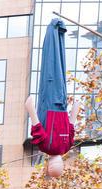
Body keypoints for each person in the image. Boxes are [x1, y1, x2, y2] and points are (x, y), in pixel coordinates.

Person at [26, 18, 75, 179]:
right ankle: (55, 29)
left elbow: (71, 127)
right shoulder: (49, 147)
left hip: (59, 105)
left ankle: (57, 31)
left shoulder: (64, 147)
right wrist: (30, 109)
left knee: (58, 69)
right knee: (51, 69)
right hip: (52, 106)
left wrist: (75, 109)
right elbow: (37, 128)